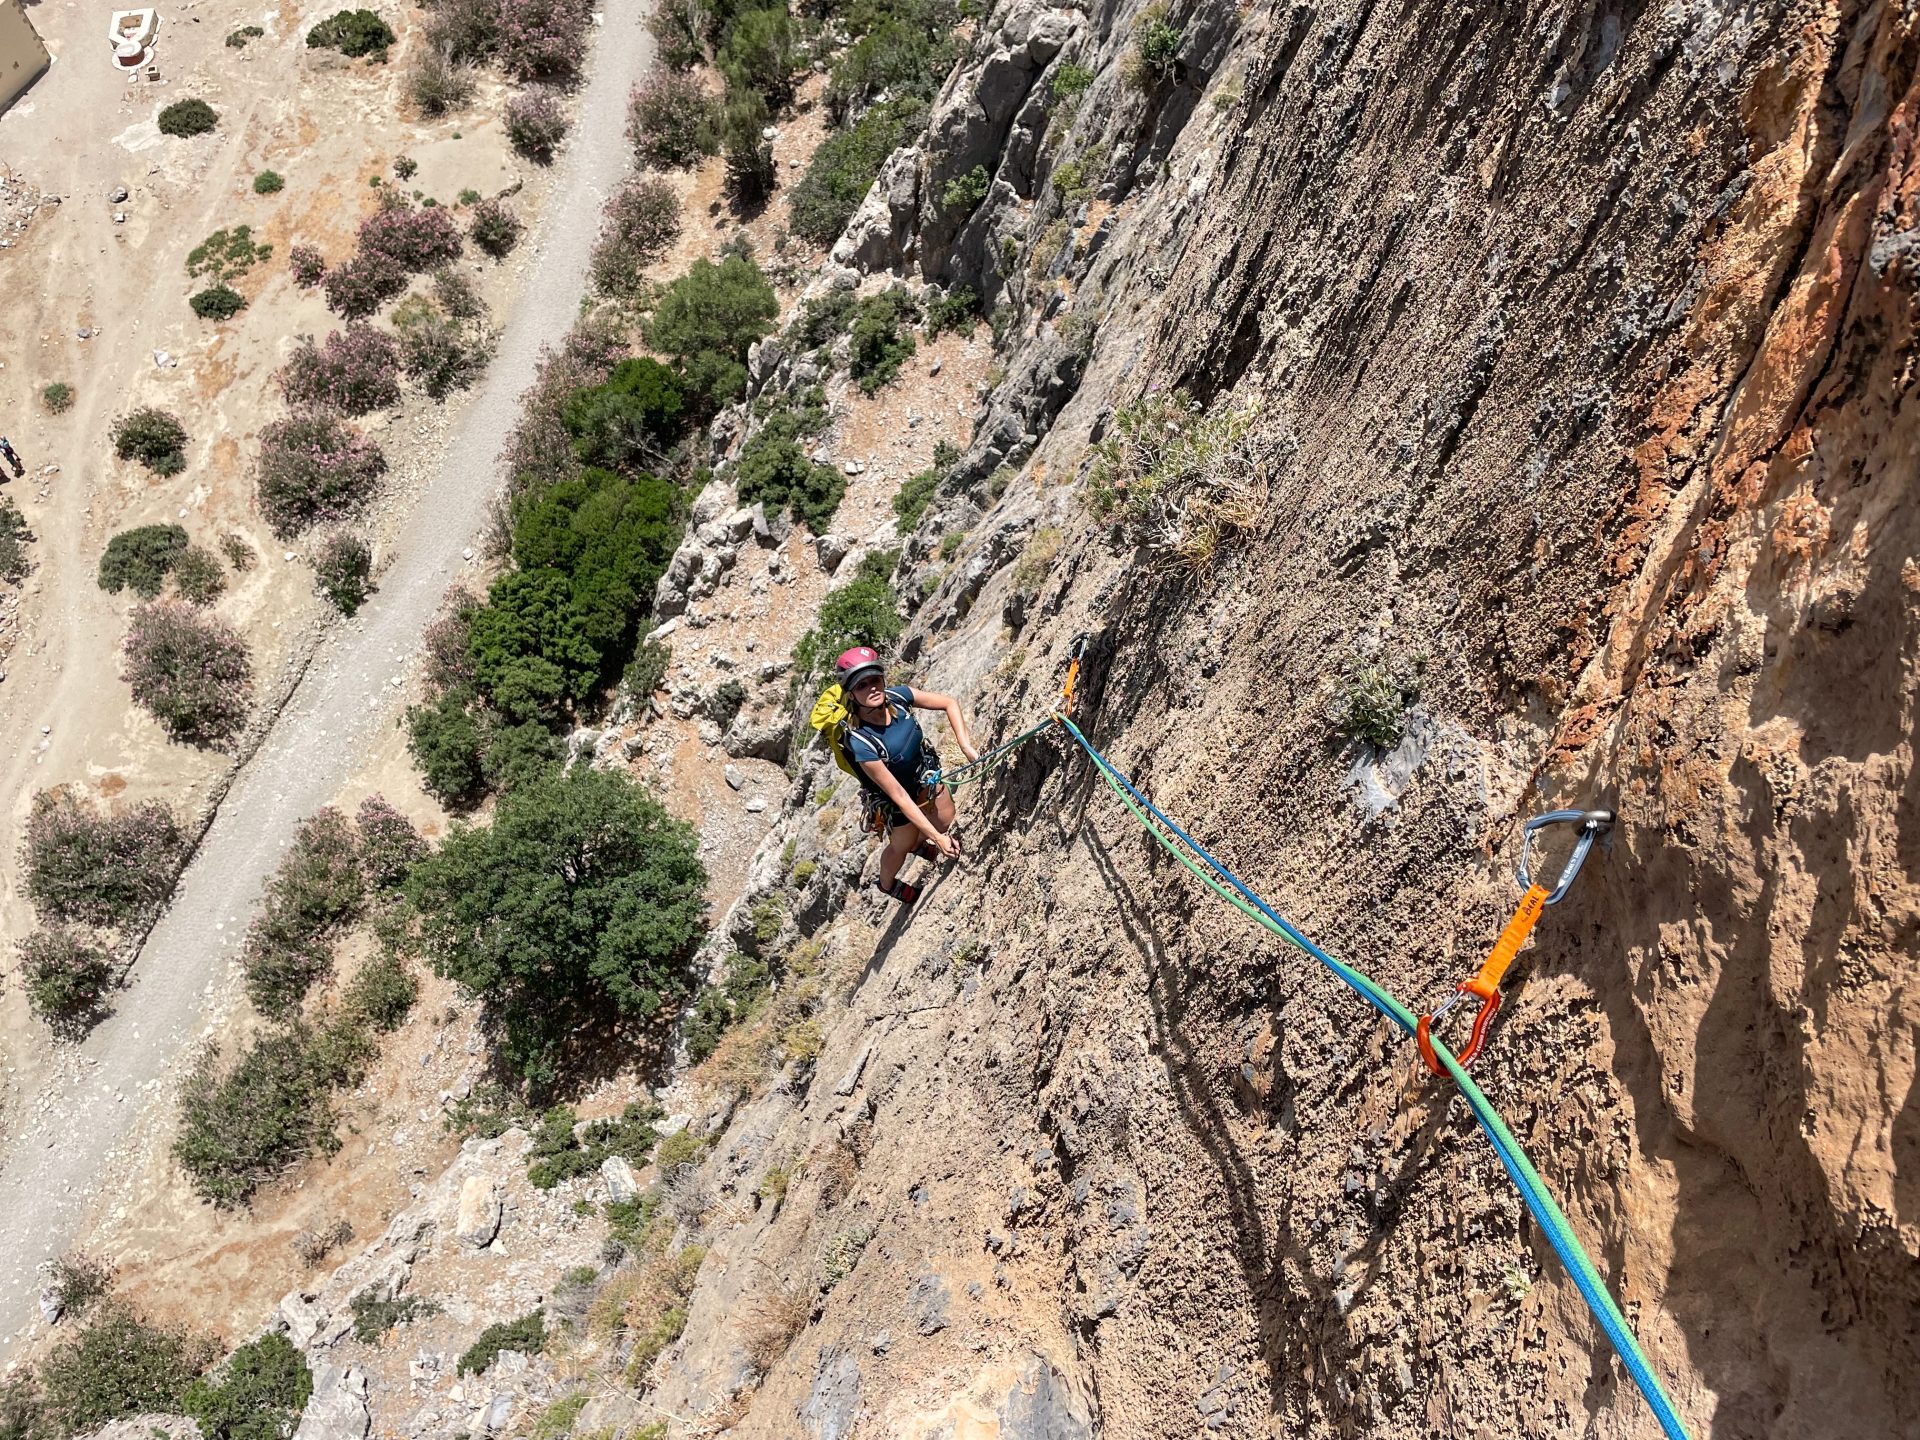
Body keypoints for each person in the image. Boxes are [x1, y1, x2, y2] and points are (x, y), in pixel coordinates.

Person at [835, 646, 979, 904]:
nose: (872, 688)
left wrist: (965, 745)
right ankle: (887, 884)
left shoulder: (898, 698)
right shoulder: (861, 742)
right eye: (861, 685)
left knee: (948, 823)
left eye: (875, 680)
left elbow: (949, 703)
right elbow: (900, 796)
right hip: (896, 801)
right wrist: (937, 839)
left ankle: (920, 842)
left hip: (926, 777)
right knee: (901, 844)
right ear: (851, 694)